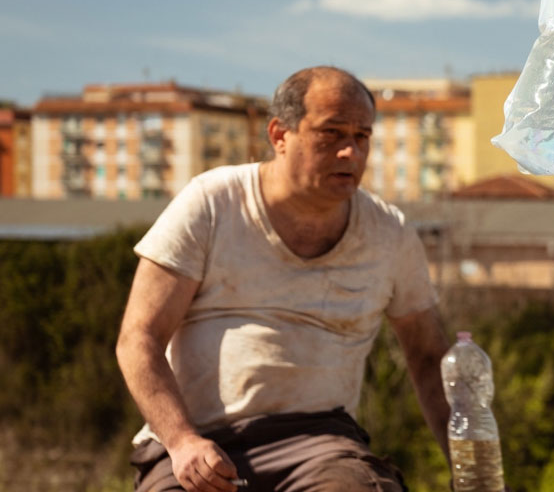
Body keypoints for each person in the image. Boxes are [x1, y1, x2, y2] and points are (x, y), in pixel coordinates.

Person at [116, 66, 451, 492]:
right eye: (331, 134)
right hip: (196, 440)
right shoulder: (212, 202)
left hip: (322, 445)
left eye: (361, 137)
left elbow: (428, 359)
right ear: (279, 135)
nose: (350, 152)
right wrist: (182, 441)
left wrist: (478, 473)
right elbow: (138, 338)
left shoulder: (389, 232)